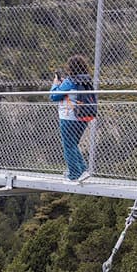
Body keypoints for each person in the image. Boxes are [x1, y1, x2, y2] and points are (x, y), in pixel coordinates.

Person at [50, 54, 94, 182]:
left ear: (71, 68)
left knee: (68, 146)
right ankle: (82, 170)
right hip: (83, 116)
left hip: (69, 117)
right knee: (73, 144)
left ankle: (75, 174)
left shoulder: (70, 81)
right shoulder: (86, 80)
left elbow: (54, 96)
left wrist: (55, 84)